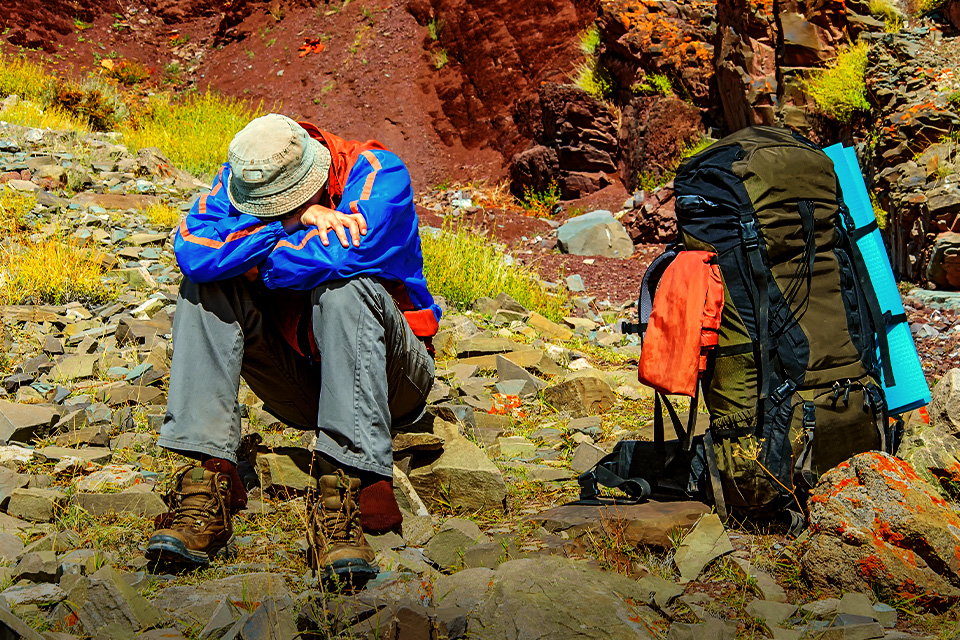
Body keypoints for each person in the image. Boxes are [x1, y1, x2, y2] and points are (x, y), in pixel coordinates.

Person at [144, 113, 439, 586]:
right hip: (303, 387)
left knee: (345, 288)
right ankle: (211, 478)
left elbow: (344, 254)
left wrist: (247, 258)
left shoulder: (380, 174)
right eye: (267, 205)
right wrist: (290, 221)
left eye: (293, 199)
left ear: (318, 171)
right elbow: (193, 253)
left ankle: (345, 479)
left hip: (393, 383)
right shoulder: (239, 178)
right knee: (204, 288)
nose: (277, 209)